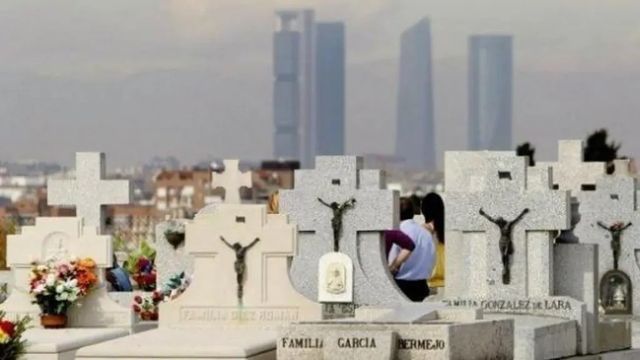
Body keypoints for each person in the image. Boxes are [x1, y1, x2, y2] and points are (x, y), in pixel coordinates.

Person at [388, 198, 435, 301]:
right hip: (422, 287)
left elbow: (391, 262)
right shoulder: (426, 233)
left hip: (401, 287)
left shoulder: (397, 232)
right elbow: (432, 259)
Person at [422, 192, 445, 291]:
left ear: (424, 210)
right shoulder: (448, 228)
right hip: (449, 282)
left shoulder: (422, 230)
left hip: (430, 284)